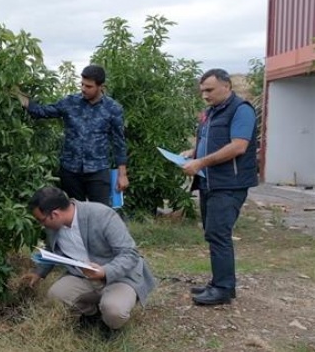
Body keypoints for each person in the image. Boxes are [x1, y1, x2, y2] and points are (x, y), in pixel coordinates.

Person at [21, 186, 156, 333]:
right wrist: (39, 273)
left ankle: (111, 325)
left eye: (41, 220)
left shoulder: (101, 215)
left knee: (114, 311)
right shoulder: (54, 226)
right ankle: (92, 314)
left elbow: (130, 253)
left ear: (55, 214)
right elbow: (51, 250)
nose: (42, 224)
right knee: (56, 295)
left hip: (120, 277)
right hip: (83, 277)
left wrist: (105, 271)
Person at [181, 68, 257, 306]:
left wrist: (201, 162)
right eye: (202, 91)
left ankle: (223, 289)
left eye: (210, 90)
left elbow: (238, 146)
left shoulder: (241, 110)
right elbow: (210, 141)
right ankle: (218, 283)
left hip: (229, 184)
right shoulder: (211, 111)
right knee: (213, 233)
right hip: (209, 182)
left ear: (227, 86)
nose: (205, 95)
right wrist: (193, 153)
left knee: (219, 234)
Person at [14, 65, 129, 206]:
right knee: (73, 213)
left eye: (89, 86)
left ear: (101, 87)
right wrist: (20, 97)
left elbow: (119, 142)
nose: (83, 89)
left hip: (98, 170)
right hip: (70, 170)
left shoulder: (113, 108)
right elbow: (43, 112)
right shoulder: (70, 102)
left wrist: (122, 175)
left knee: (100, 212)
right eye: (82, 84)